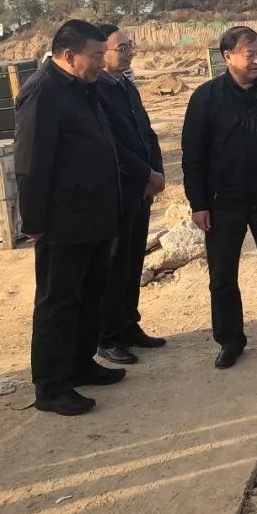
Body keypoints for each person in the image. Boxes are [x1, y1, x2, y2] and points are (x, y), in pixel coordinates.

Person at [14, 20, 124, 416]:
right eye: (95, 56)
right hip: (63, 222)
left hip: (94, 215)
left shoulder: (81, 87)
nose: (102, 62)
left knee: (90, 294)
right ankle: (51, 385)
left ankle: (80, 363)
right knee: (58, 303)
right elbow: (30, 164)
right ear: (68, 55)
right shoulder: (42, 93)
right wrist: (35, 223)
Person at [181, 26, 257, 370]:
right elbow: (193, 154)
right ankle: (230, 341)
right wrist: (198, 203)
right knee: (222, 278)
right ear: (228, 56)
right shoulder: (206, 97)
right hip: (223, 204)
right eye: (250, 54)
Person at [93, 24, 166, 364]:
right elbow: (112, 146)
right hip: (118, 191)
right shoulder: (96, 92)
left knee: (133, 261)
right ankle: (108, 336)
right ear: (101, 53)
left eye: (129, 46)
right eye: (121, 48)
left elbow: (146, 134)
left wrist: (156, 173)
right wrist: (145, 174)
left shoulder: (126, 86)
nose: (129, 52)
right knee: (114, 265)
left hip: (141, 189)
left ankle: (129, 324)